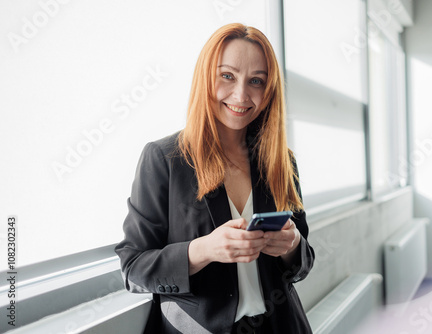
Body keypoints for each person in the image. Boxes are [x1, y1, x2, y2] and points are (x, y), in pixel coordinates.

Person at [115, 23, 315, 334]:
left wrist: (291, 244)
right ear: (206, 77)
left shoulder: (281, 161)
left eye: (256, 81)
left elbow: (303, 262)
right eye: (227, 76)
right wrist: (205, 250)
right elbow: (133, 269)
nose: (241, 94)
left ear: (269, 89)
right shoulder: (164, 159)